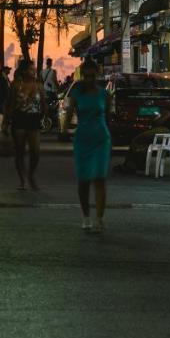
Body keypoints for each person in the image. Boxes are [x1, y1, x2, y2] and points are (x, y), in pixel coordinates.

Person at [63, 61, 112, 233]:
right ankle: (86, 216)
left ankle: (100, 217)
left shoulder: (105, 95)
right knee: (83, 180)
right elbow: (68, 115)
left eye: (93, 76)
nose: (90, 79)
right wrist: (64, 131)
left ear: (97, 75)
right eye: (87, 76)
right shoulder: (76, 93)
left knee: (100, 178)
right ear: (83, 76)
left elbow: (108, 117)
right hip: (83, 139)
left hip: (100, 139)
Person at [5, 59, 45, 190]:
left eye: (34, 69)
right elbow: (10, 105)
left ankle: (31, 175)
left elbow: (44, 104)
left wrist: (43, 117)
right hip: (19, 119)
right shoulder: (16, 85)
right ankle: (22, 180)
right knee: (20, 152)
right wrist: (5, 122)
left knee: (35, 152)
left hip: (34, 120)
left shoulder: (39, 86)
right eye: (30, 69)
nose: (33, 71)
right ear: (23, 71)